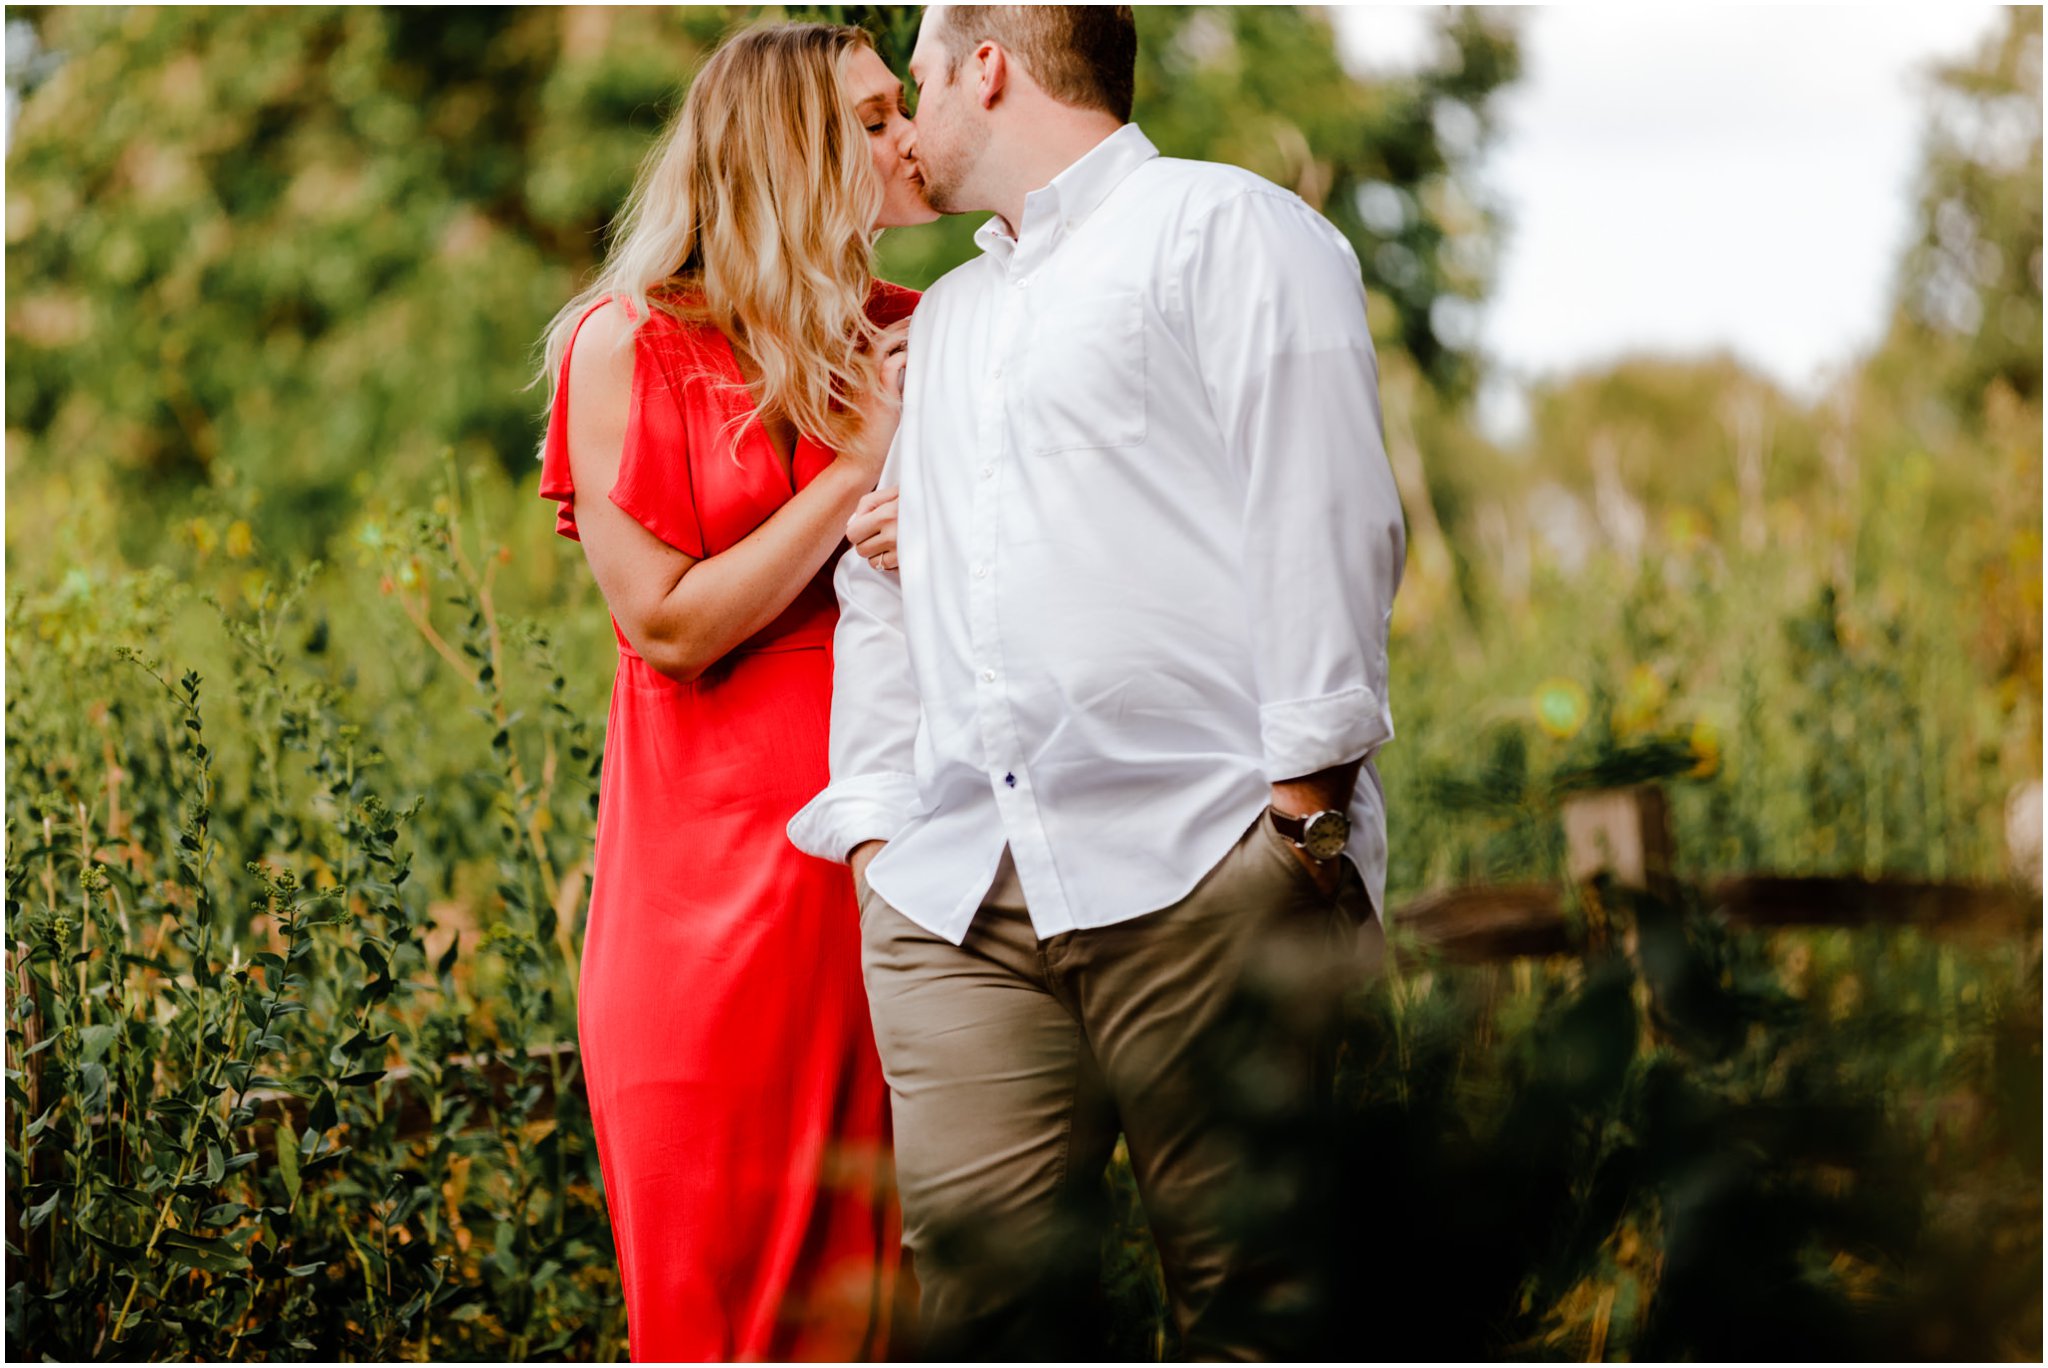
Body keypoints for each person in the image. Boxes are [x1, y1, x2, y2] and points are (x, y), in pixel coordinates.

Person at [788, 5, 1407, 1359]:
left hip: (1206, 866)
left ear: (988, 67)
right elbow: (879, 590)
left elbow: (1328, 513)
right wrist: (881, 836)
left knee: (1264, 1307)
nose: (907, 121)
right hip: (958, 904)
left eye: (921, 83)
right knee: (991, 1326)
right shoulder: (942, 321)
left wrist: (1301, 819)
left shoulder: (1227, 232)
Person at [533, 22, 934, 1361]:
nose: (911, 137)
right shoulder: (627, 346)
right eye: (876, 121)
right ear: (797, 154)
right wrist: (848, 477)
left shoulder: (932, 338)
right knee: (710, 1318)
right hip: (696, 921)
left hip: (889, 887)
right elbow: (666, 626)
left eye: (907, 109)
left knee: (879, 1320)